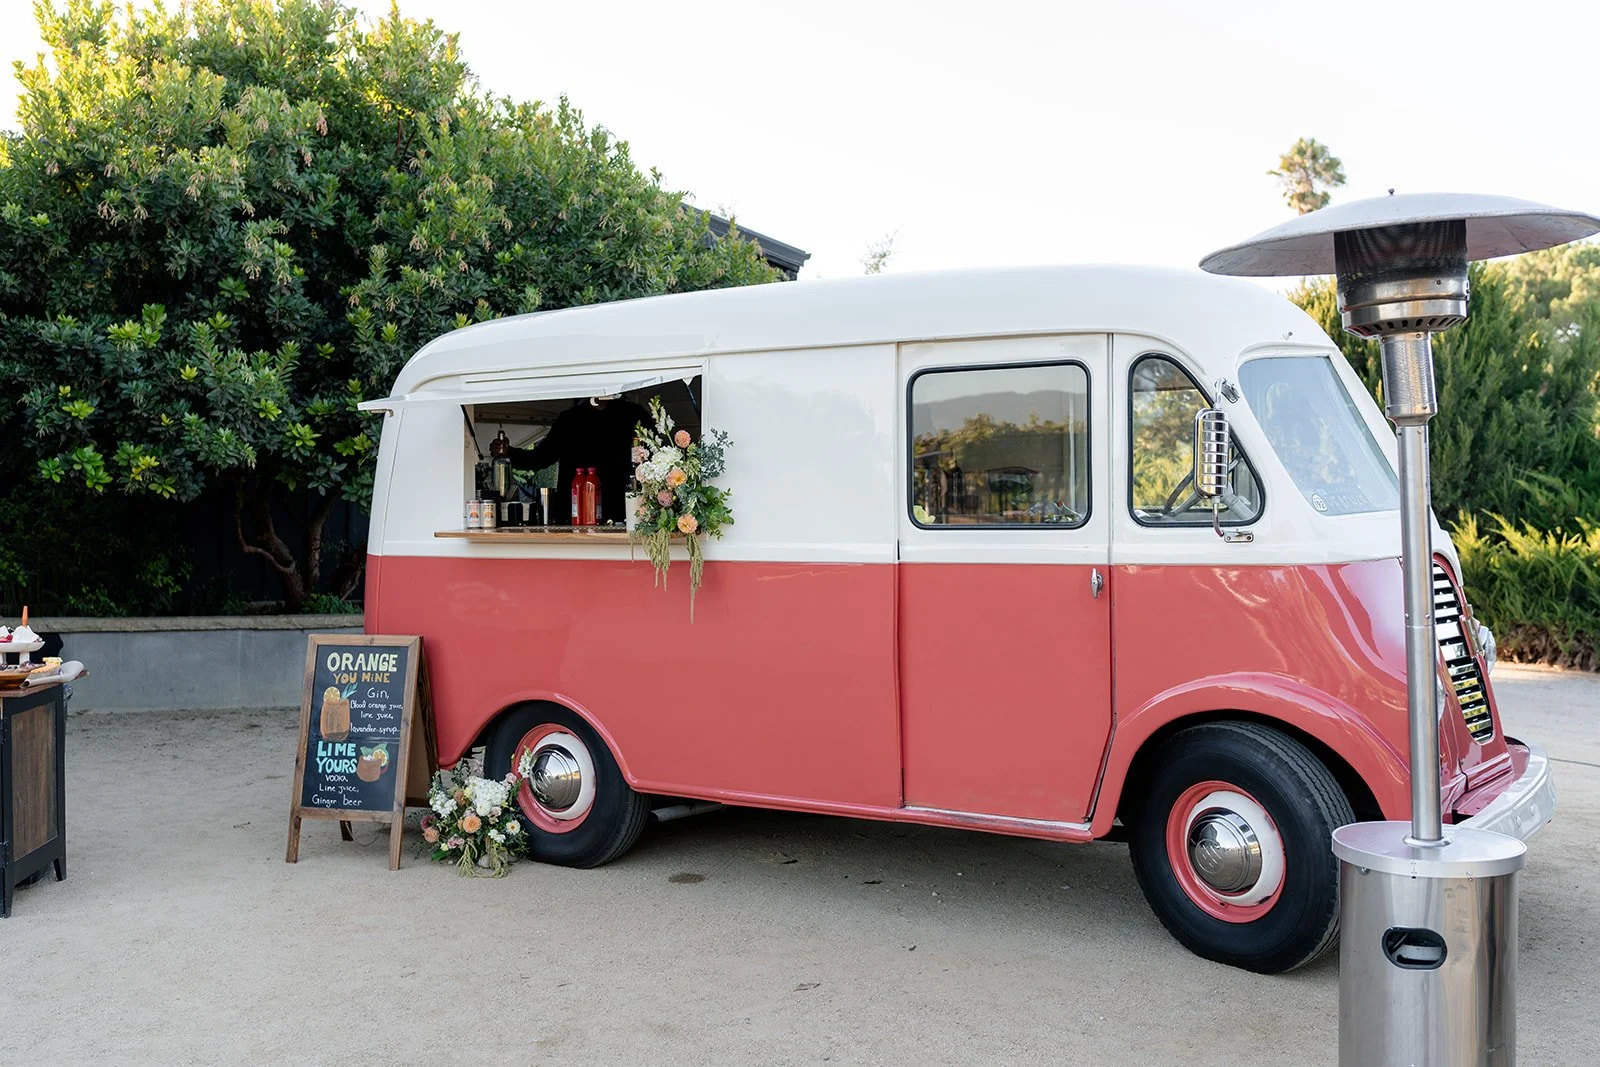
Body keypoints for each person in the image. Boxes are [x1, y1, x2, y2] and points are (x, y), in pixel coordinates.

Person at [509, 395, 648, 525]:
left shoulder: (634, 415)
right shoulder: (569, 419)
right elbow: (542, 456)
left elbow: (655, 456)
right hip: (577, 511)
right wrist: (508, 453)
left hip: (624, 509)